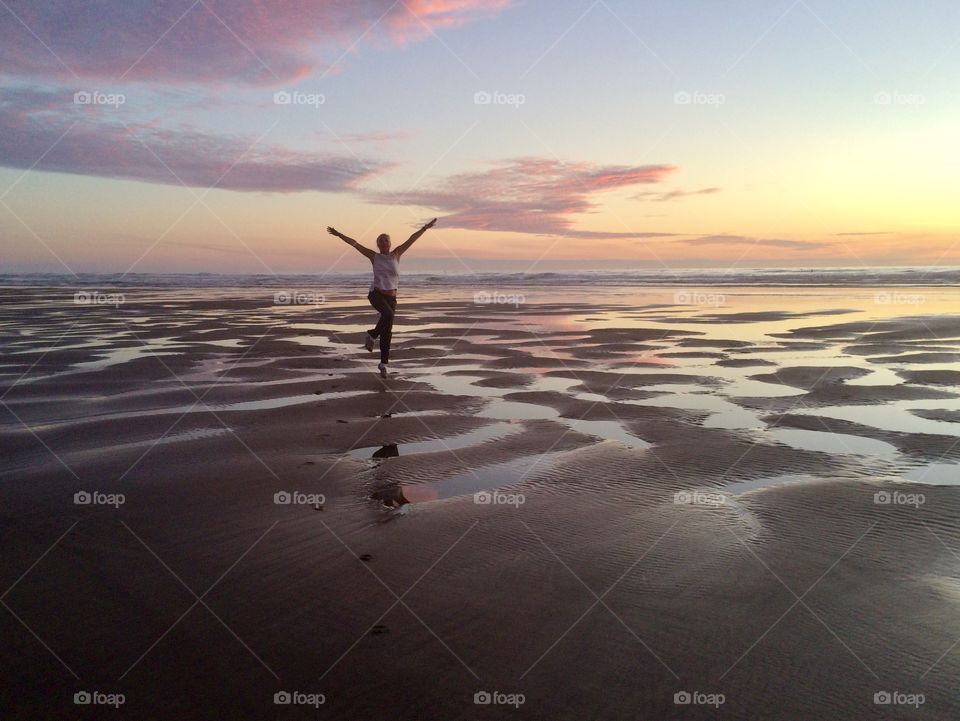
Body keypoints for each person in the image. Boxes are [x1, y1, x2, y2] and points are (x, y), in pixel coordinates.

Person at [326, 218, 437, 377]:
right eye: (381, 241)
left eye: (386, 240)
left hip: (392, 298)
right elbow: (354, 243)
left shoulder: (396, 254)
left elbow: (412, 239)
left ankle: (383, 364)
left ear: (390, 243)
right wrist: (338, 234)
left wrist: (425, 228)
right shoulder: (373, 256)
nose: (384, 243)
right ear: (378, 244)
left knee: (388, 331)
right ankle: (371, 334)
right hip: (376, 295)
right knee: (388, 315)